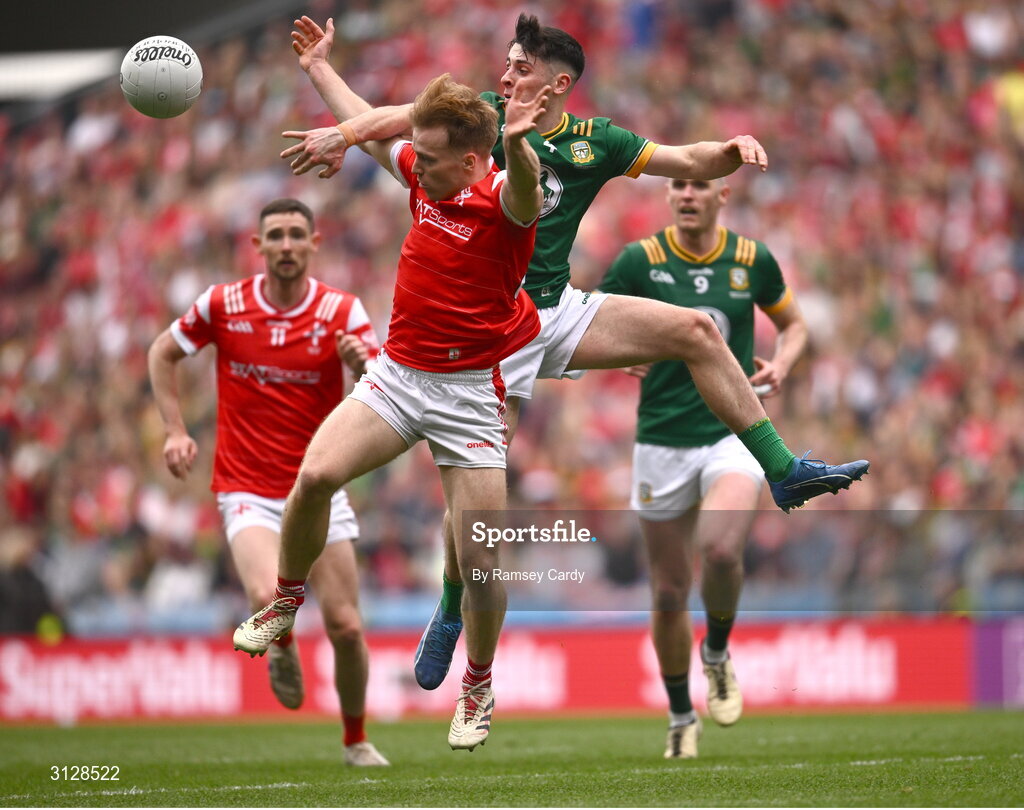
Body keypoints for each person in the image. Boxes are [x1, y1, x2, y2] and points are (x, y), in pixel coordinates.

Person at [281, 13, 869, 693]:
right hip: (486, 332)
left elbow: (689, 159)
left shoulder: (599, 142)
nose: (505, 76)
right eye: (505, 64)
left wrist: (733, 149)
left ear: (559, 84)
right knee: (473, 516)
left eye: (520, 67)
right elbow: (388, 118)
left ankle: (782, 470)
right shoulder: (481, 119)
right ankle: (450, 607)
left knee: (698, 332)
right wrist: (326, 82)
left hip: (553, 311)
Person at [232, 74, 550, 752]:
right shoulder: (427, 173)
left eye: (429, 158)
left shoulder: (504, 198)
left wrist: (520, 144)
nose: (416, 164)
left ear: (468, 160)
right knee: (315, 476)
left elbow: (524, 191)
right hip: (400, 376)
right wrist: (319, 70)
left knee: (482, 560)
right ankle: (286, 600)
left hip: (468, 393)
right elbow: (373, 127)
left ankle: (478, 684)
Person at [147, 198, 390, 767]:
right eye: (275, 235)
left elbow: (385, 389)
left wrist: (360, 366)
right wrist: (174, 430)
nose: (285, 244)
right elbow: (162, 353)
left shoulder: (342, 311)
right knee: (265, 599)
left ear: (314, 243)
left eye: (295, 235)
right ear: (257, 246)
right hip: (247, 487)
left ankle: (356, 739)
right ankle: (281, 645)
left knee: (348, 627)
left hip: (316, 490)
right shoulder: (222, 304)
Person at [600, 177, 808, 759]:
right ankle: (679, 713)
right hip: (661, 439)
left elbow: (794, 324)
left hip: (732, 433)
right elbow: (589, 321)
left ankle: (715, 653)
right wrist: (625, 355)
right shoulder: (639, 260)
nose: (688, 194)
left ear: (722, 198)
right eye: (679, 185)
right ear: (669, 198)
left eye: (700, 186)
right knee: (669, 589)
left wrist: (784, 364)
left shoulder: (751, 259)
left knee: (720, 551)